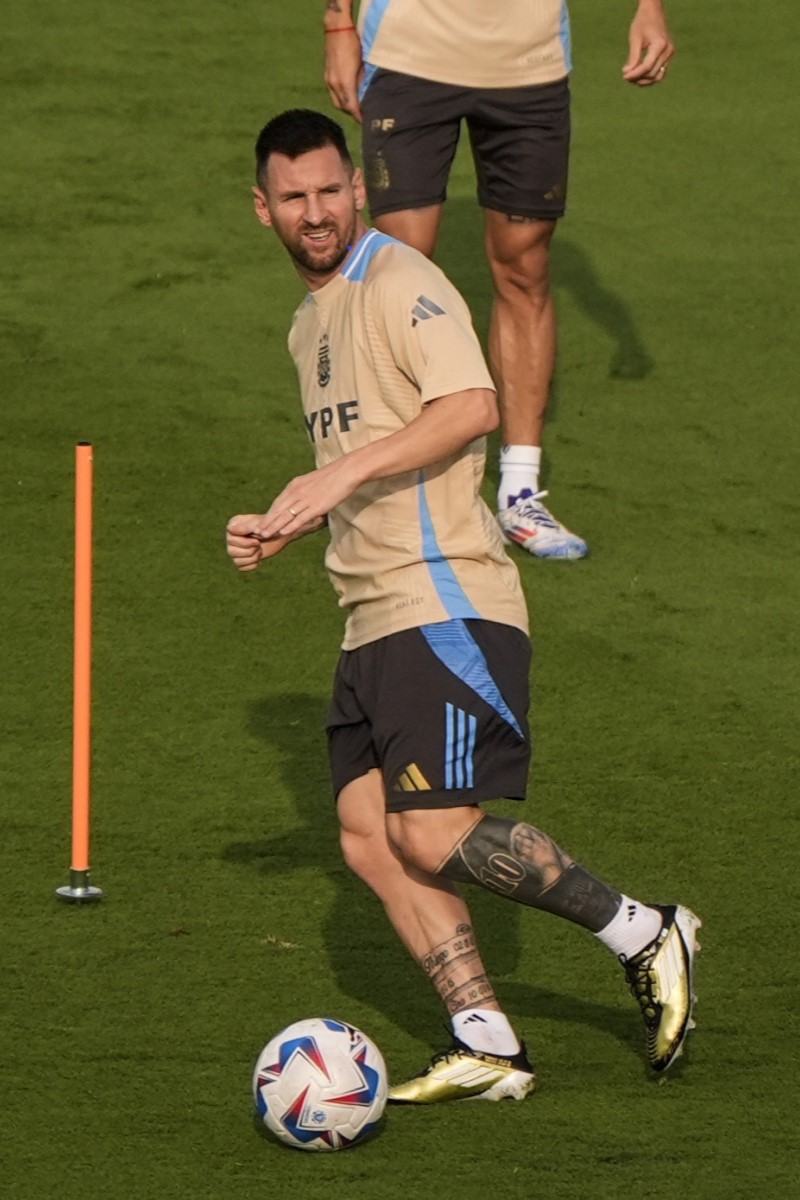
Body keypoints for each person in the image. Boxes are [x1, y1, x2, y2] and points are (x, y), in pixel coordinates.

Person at [226, 109, 699, 1102]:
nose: (316, 212)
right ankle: (486, 1042)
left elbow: (471, 406)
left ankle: (644, 931)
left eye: (330, 190)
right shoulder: (308, 322)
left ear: (357, 188)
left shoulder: (401, 281)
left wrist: (333, 476)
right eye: (294, 197)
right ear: (262, 207)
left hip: (439, 600)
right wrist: (289, 520)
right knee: (368, 836)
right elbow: (368, 464)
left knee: (432, 830)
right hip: (370, 615)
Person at [321, 0, 675, 560]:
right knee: (399, 268)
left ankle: (520, 493)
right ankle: (379, 474)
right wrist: (339, 24)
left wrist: (649, 9)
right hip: (411, 55)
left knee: (524, 269)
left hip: (529, 66)